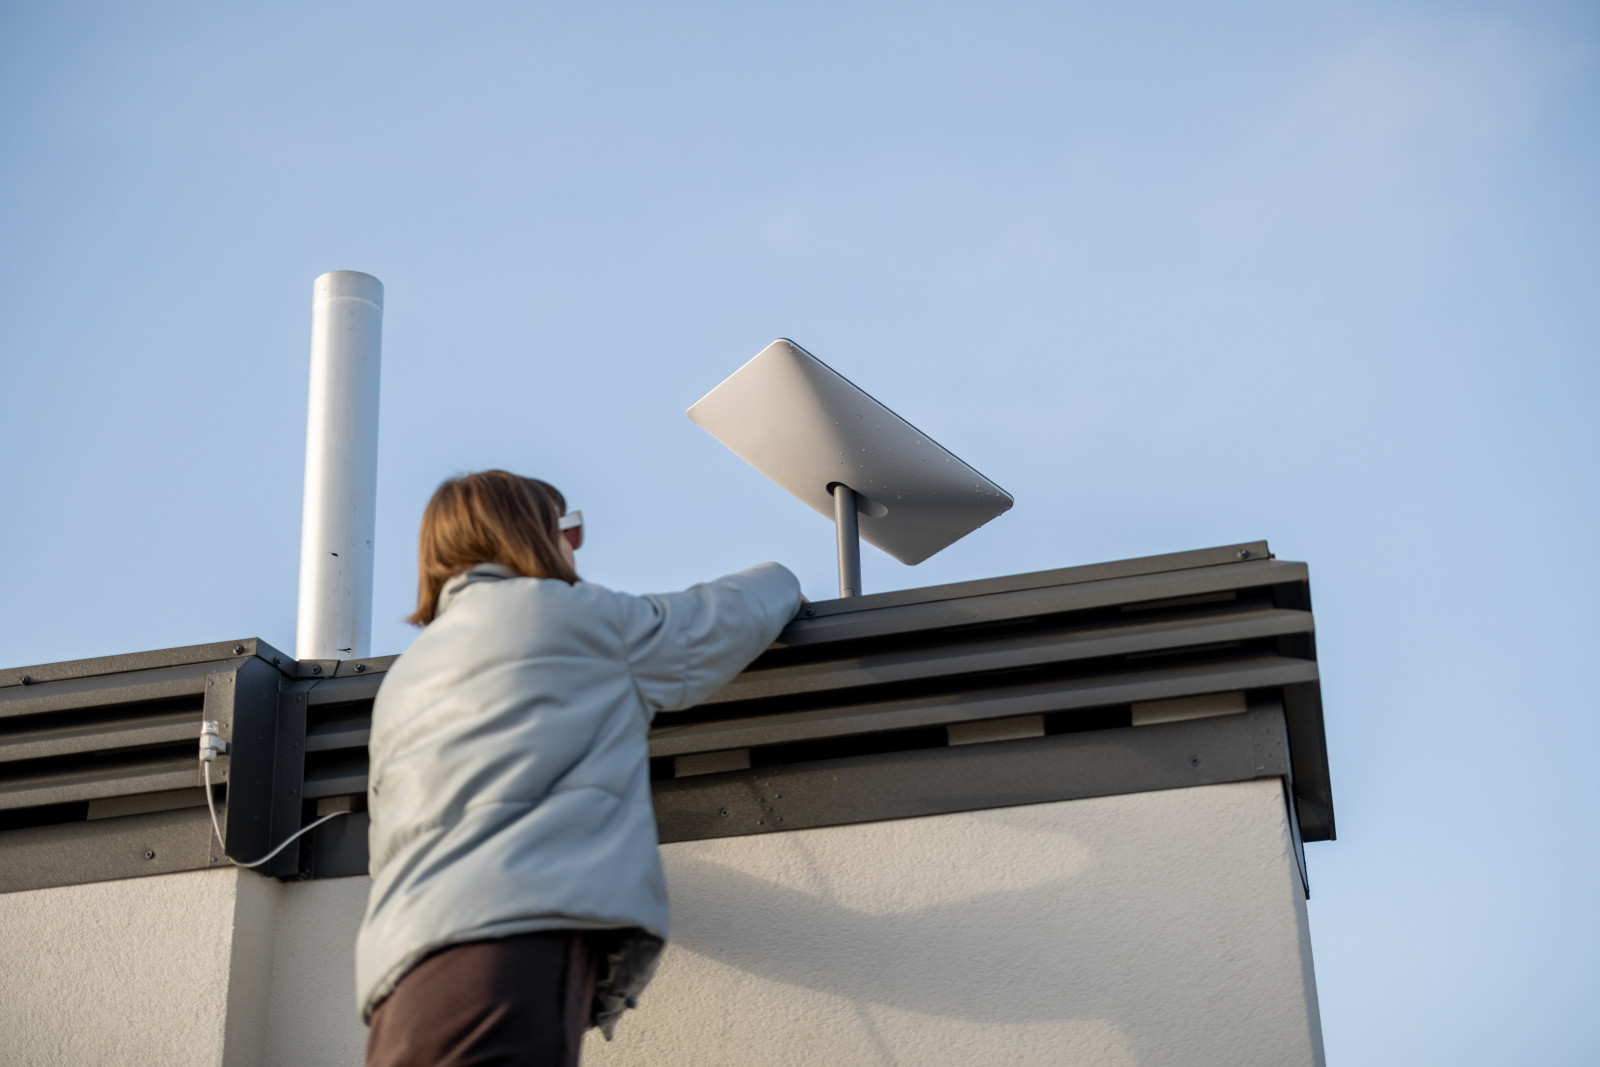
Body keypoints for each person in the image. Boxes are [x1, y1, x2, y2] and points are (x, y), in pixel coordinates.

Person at [357, 470, 804, 1067]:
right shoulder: (567, 617)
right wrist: (784, 580)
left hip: (403, 979)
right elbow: (705, 627)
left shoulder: (407, 675)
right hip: (506, 953)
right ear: (528, 533)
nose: (574, 544)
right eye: (568, 528)